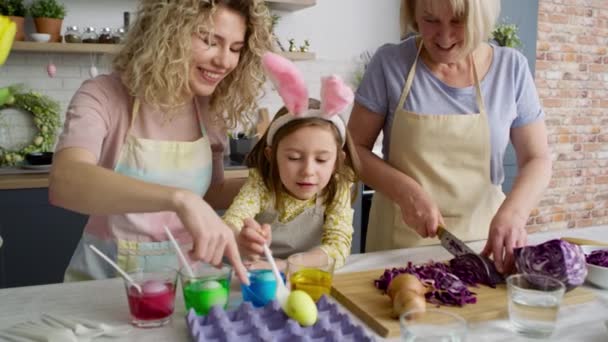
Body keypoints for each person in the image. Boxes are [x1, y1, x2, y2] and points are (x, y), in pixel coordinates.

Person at [49, 0, 273, 284]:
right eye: (209, 41)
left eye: (235, 49)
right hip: (104, 282)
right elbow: (66, 181)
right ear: (167, 34)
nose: (224, 61)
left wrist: (267, 188)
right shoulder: (104, 95)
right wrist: (180, 200)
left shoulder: (209, 110)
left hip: (185, 281)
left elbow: (209, 192)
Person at [348, 0, 551, 273]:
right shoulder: (390, 63)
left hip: (483, 244)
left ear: (481, 17)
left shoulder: (511, 69)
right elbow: (353, 148)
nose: (444, 38)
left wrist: (514, 214)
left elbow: (537, 158)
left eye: (458, 21)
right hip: (397, 246)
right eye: (430, 20)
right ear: (413, 12)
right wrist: (406, 192)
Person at [222, 52, 360, 270]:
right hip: (260, 277)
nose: (308, 171)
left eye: (322, 159)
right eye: (294, 158)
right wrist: (241, 238)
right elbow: (231, 222)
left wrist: (288, 265)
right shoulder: (260, 183)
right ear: (271, 155)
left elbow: (338, 247)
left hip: (308, 277)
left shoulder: (338, 187)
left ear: (338, 161)